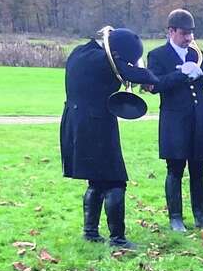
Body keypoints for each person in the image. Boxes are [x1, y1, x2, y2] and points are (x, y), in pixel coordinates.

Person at [61, 26, 154, 251]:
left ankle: (90, 232)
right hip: (97, 124)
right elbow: (133, 74)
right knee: (115, 180)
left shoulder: (79, 52)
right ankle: (118, 239)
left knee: (96, 179)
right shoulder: (104, 60)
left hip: (74, 122)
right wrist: (151, 78)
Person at [146, 9, 203, 233]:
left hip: (198, 119)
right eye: (184, 33)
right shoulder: (157, 55)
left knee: (199, 170)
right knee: (175, 169)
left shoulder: (197, 53)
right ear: (171, 31)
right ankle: (175, 217)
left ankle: (201, 216)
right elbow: (154, 85)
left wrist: (201, 73)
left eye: (191, 34)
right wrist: (181, 74)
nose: (188, 38)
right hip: (174, 121)